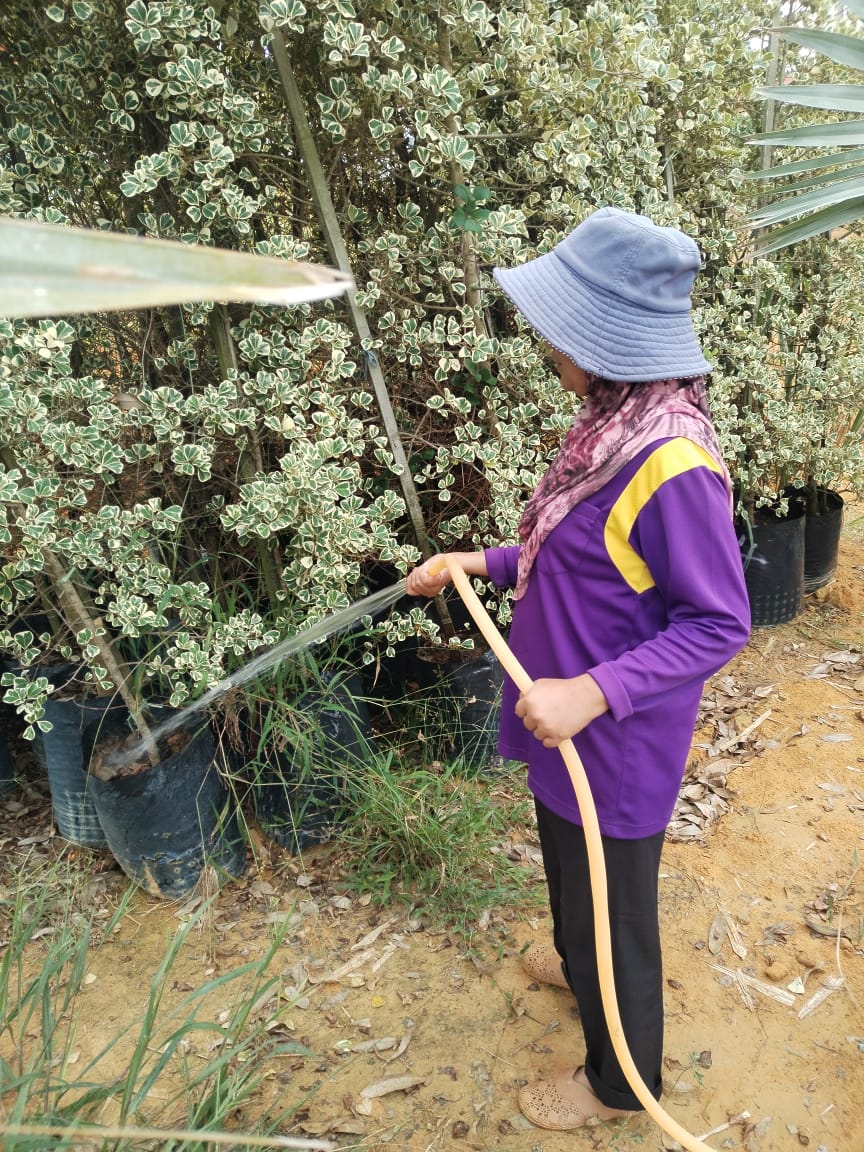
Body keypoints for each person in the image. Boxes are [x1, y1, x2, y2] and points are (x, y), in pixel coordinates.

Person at [406, 206, 751, 1131]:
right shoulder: (610, 428)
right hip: (563, 726)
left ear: (610, 343)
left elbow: (720, 622)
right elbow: (576, 555)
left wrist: (592, 691)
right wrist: (480, 562)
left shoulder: (672, 464)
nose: (547, 344)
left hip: (615, 743)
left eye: (561, 330)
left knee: (616, 914)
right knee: (569, 873)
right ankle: (574, 953)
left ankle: (617, 1083)